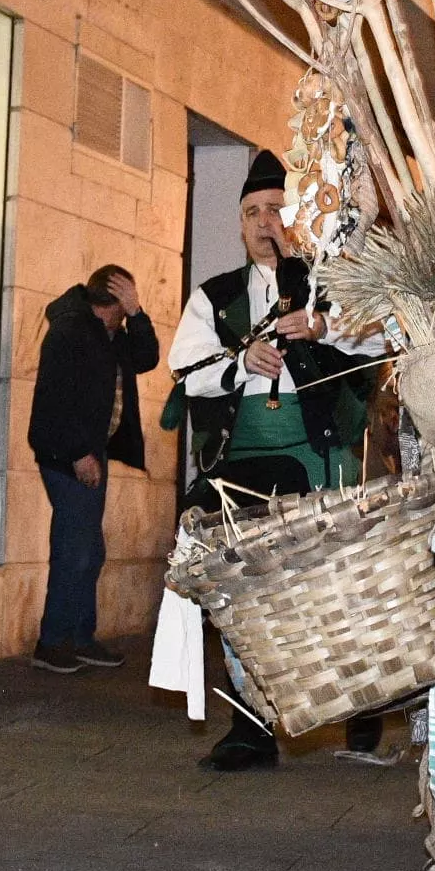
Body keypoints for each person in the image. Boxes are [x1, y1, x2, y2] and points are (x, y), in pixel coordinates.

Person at [164, 149, 384, 769]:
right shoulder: (216, 296)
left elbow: (380, 338)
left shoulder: (328, 284)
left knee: (334, 583)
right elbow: (185, 370)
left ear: (294, 220)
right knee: (242, 588)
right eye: (252, 212)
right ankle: (251, 726)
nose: (265, 222)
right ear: (239, 224)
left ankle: (361, 703)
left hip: (318, 453)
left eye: (275, 211)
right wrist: (241, 363)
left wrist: (319, 329)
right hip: (243, 459)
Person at [24, 265, 158, 673]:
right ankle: (51, 643)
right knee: (74, 548)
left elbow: (146, 358)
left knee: (88, 549)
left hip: (89, 452)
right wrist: (80, 453)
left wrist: (138, 315)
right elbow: (54, 400)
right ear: (112, 299)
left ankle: (80, 638)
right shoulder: (70, 332)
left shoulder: (111, 334)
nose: (128, 311)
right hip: (68, 454)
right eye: (127, 302)